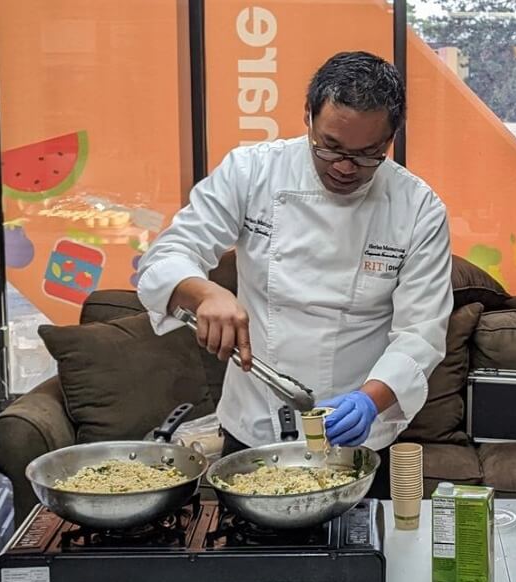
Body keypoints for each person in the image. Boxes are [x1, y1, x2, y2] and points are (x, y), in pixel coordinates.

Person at [136, 51, 453, 498]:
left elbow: (421, 333)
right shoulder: (253, 172)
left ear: (391, 139)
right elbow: (166, 254)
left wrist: (369, 401)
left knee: (360, 559)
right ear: (307, 118)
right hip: (254, 426)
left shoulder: (417, 209)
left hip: (359, 441)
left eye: (367, 155)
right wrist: (205, 292)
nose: (345, 167)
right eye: (330, 147)